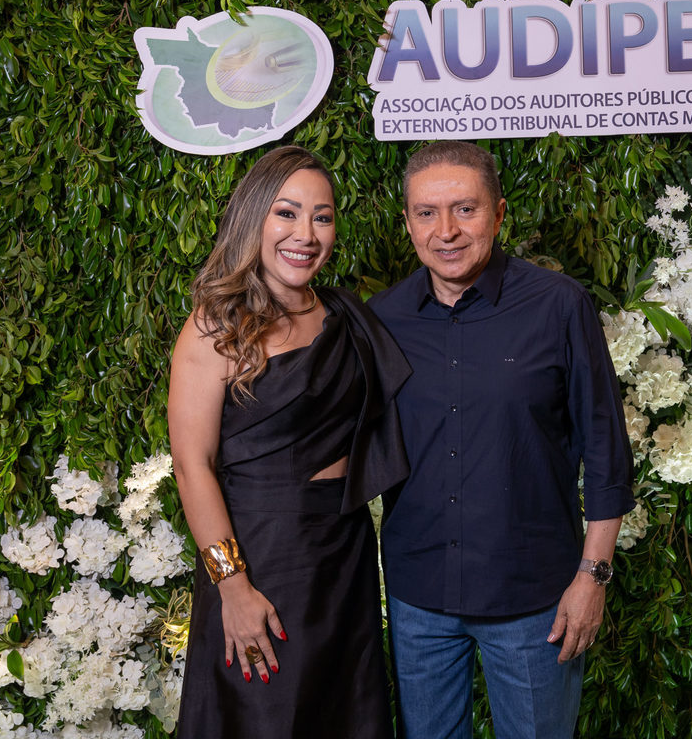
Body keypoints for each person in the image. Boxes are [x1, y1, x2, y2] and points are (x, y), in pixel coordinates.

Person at [370, 141, 635, 739]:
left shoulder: (558, 305)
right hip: (418, 596)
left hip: (534, 599)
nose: (445, 231)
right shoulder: (382, 318)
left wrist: (592, 577)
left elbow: (606, 450)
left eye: (465, 209)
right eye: (427, 212)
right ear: (408, 221)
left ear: (498, 213)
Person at [168, 146, 410, 739]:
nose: (306, 234)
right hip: (261, 556)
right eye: (287, 213)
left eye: (322, 217)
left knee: (343, 715)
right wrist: (233, 587)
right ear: (255, 218)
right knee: (263, 718)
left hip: (344, 554)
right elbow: (193, 465)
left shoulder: (347, 315)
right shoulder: (215, 325)